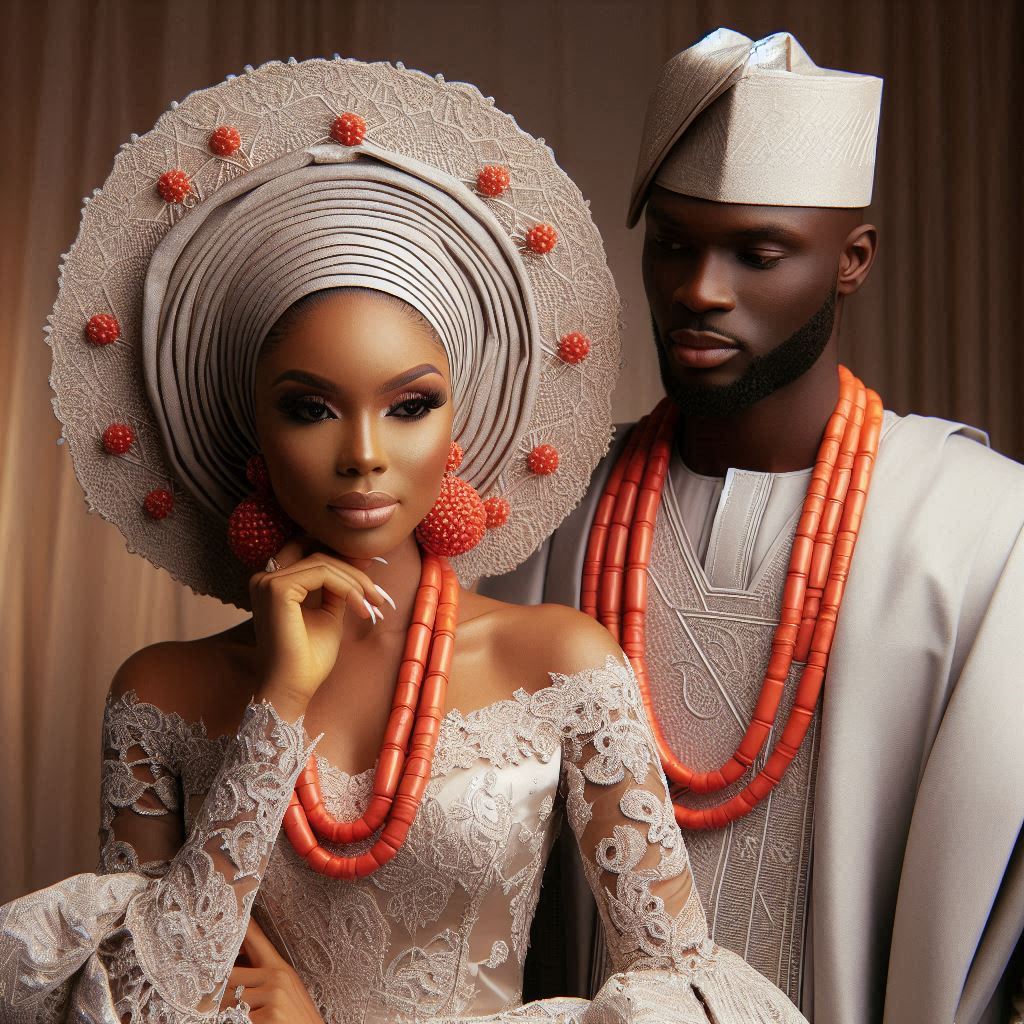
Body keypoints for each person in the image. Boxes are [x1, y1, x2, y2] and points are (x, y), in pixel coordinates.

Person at [0, 56, 805, 1024]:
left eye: (410, 404)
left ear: (458, 426)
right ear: (250, 430)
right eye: (309, 409)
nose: (364, 455)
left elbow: (675, 998)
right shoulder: (160, 692)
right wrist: (280, 704)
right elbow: (133, 1002)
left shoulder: (559, 663)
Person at [482, 29, 1024, 1024]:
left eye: (757, 252)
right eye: (676, 244)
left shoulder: (985, 529)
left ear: (851, 260)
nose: (701, 289)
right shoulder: (553, 514)